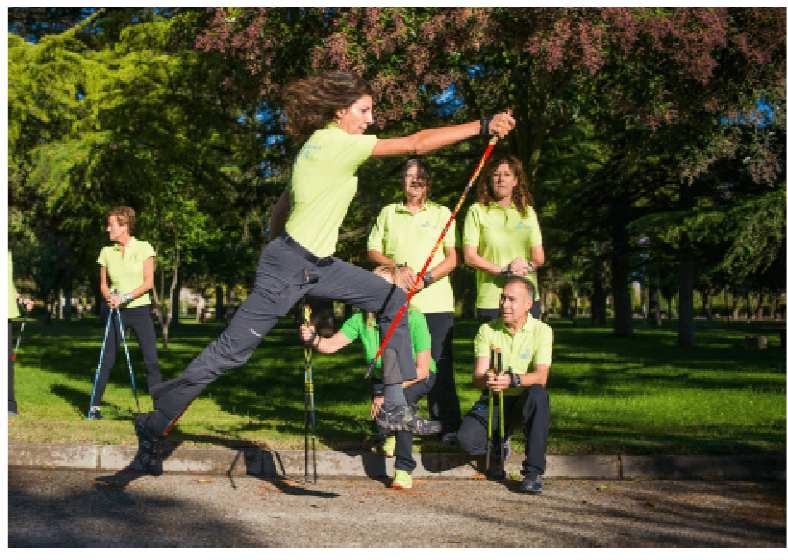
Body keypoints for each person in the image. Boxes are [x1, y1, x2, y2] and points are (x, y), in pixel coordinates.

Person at [131, 71, 515, 473]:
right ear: (340, 111)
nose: (370, 119)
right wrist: (482, 125)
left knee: (393, 298)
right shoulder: (337, 143)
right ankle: (155, 424)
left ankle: (394, 408)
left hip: (317, 265)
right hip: (293, 265)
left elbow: (284, 205)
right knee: (231, 354)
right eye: (364, 111)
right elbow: (417, 142)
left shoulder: (315, 146)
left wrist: (278, 247)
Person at [300, 266, 436, 490]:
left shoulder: (413, 317)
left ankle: (403, 469)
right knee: (386, 417)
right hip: (384, 377)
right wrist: (313, 339)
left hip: (418, 376)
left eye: (383, 287)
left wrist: (388, 393)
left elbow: (422, 369)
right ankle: (387, 434)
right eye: (371, 285)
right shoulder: (360, 319)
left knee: (402, 406)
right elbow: (331, 345)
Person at [367, 159, 460, 443]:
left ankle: (446, 426)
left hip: (436, 302)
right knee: (400, 365)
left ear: (428, 182)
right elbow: (373, 250)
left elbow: (454, 258)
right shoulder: (388, 212)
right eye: (408, 176)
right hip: (399, 303)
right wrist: (397, 268)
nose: (414, 180)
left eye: (419, 176)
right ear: (402, 182)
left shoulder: (443, 212)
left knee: (439, 367)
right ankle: (398, 420)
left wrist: (426, 279)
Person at [457, 276, 553, 494]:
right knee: (466, 441)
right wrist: (488, 379)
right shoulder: (487, 330)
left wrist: (512, 379)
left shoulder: (542, 331)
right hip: (494, 399)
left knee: (539, 395)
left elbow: (541, 376)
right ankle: (501, 443)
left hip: (523, 398)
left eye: (512, 300)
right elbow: (477, 377)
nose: (504, 304)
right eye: (502, 298)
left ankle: (533, 473)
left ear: (529, 304)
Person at [90, 206, 162, 419]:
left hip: (139, 310)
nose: (107, 229)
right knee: (107, 359)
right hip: (116, 312)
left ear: (124, 226)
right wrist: (109, 296)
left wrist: (126, 297)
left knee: (151, 360)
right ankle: (94, 407)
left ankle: (160, 410)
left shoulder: (144, 248)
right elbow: (103, 284)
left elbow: (148, 283)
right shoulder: (106, 252)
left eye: (111, 225)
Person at [462, 154, 545, 321]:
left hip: (526, 299)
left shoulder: (527, 212)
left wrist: (526, 267)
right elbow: (470, 257)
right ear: (490, 180)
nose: (501, 179)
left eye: (507, 175)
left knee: (528, 348)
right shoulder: (477, 211)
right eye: (496, 174)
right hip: (492, 299)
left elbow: (539, 258)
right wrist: (504, 271)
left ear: (515, 181)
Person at [8, 250, 33, 416]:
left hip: (6, 313)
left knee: (7, 363)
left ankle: (9, 405)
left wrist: (21, 299)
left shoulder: (7, 253)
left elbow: (7, 284)